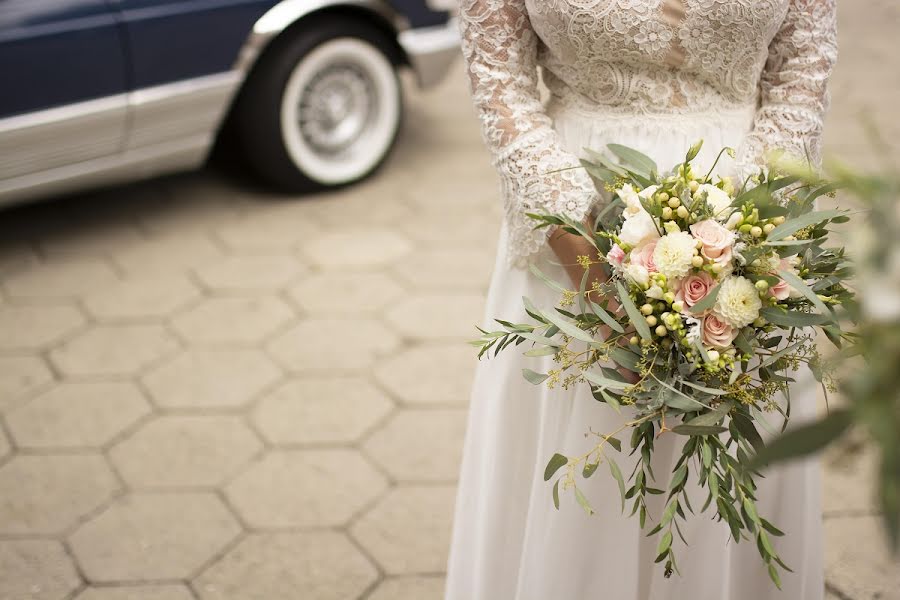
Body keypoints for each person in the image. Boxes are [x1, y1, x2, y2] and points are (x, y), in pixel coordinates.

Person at [445, 1, 837, 599]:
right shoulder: (573, 238)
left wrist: (742, 248)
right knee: (592, 464)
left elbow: (801, 70)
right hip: (573, 220)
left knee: (725, 460)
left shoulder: (748, 244)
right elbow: (501, 78)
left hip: (750, 232)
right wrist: (583, 257)